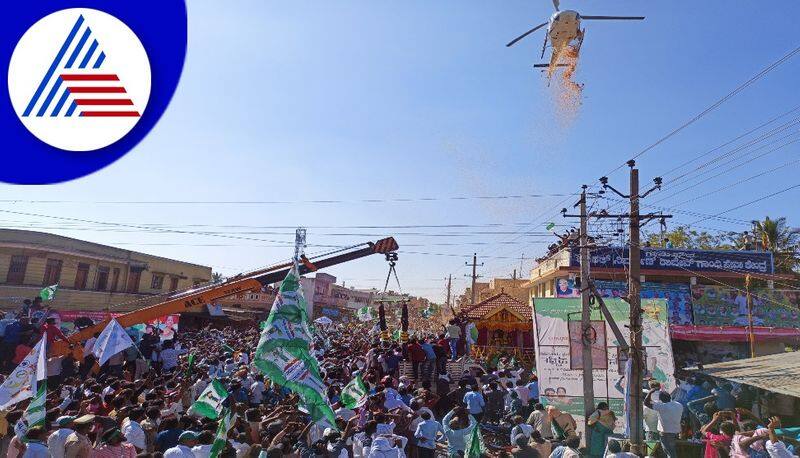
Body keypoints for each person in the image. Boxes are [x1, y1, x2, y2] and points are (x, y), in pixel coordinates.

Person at [645, 389, 683, 458]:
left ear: (660, 400)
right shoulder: (679, 405)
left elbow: (646, 403)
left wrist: (650, 392)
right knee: (672, 451)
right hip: (676, 432)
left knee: (670, 452)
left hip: (666, 433)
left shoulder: (662, 406)